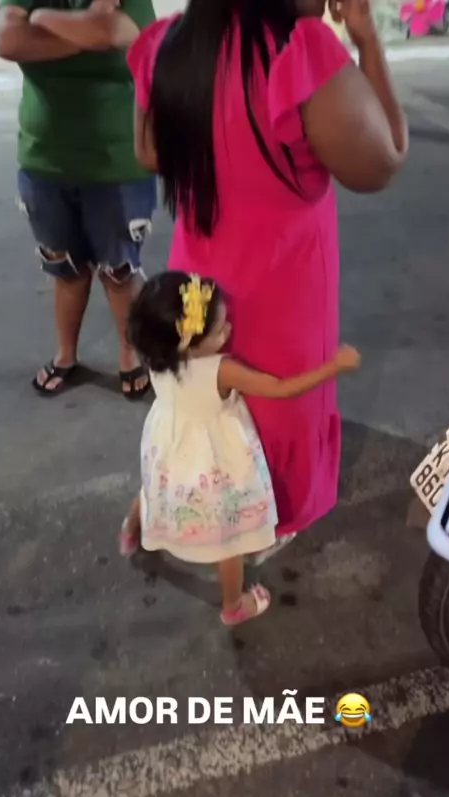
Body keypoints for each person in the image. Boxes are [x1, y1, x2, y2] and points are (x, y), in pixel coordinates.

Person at [126, 0, 408, 554]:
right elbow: (383, 159)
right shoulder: (297, 55)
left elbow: (150, 152)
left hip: (195, 285)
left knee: (202, 401)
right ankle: (265, 521)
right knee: (280, 407)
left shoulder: (168, 46)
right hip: (283, 289)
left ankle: (196, 508)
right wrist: (366, 37)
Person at [119, 271, 361, 625]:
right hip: (213, 457)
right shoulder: (221, 369)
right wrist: (333, 367)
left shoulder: (157, 356)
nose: (229, 330)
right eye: (220, 330)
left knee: (155, 487)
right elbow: (280, 388)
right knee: (228, 539)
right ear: (188, 343)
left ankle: (131, 531)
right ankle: (233, 605)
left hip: (169, 442)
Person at [0, 0, 157, 398]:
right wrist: (87, 29)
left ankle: (129, 354)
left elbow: (120, 33)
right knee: (64, 269)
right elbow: (7, 40)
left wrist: (41, 21)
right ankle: (66, 353)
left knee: (120, 271)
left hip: (116, 163)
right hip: (45, 161)